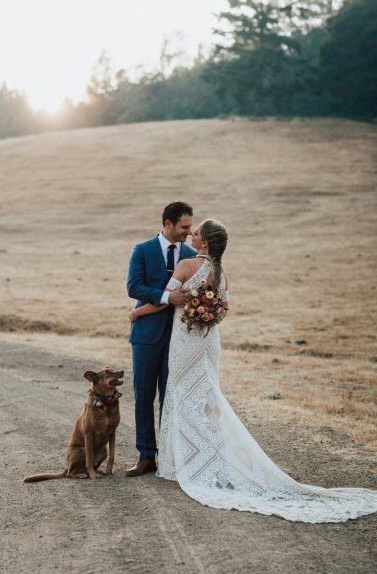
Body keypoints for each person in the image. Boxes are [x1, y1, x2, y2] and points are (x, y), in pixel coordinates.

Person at [130, 218, 377, 523]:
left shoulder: (186, 266)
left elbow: (167, 302)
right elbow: (221, 312)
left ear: (204, 242)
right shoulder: (222, 274)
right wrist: (203, 315)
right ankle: (202, 457)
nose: (191, 235)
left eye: (196, 233)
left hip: (186, 342)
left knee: (184, 396)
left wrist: (137, 311)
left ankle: (182, 464)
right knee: (206, 398)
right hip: (208, 342)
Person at [125, 201, 197, 476]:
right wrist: (168, 297)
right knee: (143, 396)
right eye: (184, 226)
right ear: (167, 223)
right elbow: (134, 287)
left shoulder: (191, 255)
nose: (189, 232)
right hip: (146, 336)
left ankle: (169, 457)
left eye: (191, 227)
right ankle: (146, 456)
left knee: (170, 398)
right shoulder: (142, 250)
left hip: (180, 337)